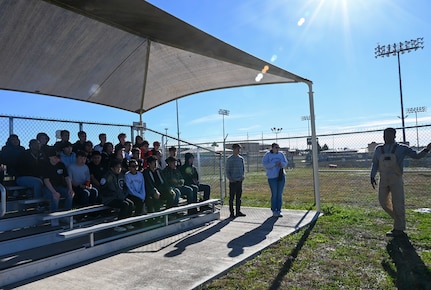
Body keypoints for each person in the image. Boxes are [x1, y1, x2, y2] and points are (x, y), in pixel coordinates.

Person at [370, 127, 431, 237]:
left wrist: (426, 149)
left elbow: (416, 156)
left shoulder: (402, 148)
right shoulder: (378, 149)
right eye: (384, 135)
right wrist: (372, 175)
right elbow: (375, 163)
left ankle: (398, 228)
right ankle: (398, 219)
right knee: (383, 202)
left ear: (394, 136)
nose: (386, 137)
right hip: (383, 178)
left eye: (388, 135)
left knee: (398, 203)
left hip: (396, 179)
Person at [42, 148, 75, 226]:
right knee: (55, 196)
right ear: (50, 157)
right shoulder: (46, 165)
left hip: (59, 186)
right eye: (56, 157)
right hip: (48, 188)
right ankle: (54, 217)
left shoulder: (61, 164)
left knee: (69, 194)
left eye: (58, 157)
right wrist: (54, 192)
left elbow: (67, 177)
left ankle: (65, 216)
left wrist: (70, 189)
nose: (58, 159)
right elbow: (46, 180)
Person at [100, 159, 135, 232]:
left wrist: (124, 194)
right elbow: (103, 189)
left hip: (120, 197)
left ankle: (127, 223)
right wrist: (112, 193)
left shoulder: (121, 176)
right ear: (112, 168)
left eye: (120, 167)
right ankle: (119, 224)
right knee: (124, 205)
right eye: (117, 167)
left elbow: (124, 186)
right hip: (109, 199)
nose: (119, 169)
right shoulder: (108, 177)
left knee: (131, 204)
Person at [262, 143, 288, 218]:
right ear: (272, 148)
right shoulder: (268, 155)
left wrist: (281, 163)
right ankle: (274, 210)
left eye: (278, 148)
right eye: (276, 148)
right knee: (275, 194)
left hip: (281, 176)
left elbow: (285, 163)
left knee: (279, 194)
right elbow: (265, 164)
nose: (277, 149)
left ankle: (279, 210)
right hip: (272, 177)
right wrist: (274, 164)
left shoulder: (281, 154)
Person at [226, 143, 246, 218]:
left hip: (239, 181)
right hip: (233, 181)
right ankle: (231, 212)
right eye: (237, 149)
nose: (238, 151)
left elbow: (243, 169)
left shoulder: (241, 159)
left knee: (238, 197)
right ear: (233, 149)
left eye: (239, 149)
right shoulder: (229, 159)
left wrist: (242, 176)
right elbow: (227, 170)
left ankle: (238, 211)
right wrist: (230, 178)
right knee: (231, 198)